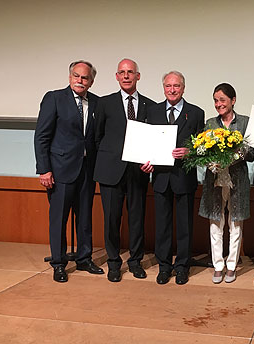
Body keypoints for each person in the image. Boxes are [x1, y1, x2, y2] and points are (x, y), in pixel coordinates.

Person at [34, 60, 103, 283]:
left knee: (84, 218)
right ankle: (59, 263)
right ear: (69, 77)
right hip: (60, 170)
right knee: (59, 219)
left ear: (91, 81)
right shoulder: (54, 98)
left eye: (84, 78)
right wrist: (44, 169)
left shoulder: (96, 102)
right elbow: (41, 136)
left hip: (87, 170)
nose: (80, 81)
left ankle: (84, 258)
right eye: (76, 76)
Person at [94, 58, 155, 282]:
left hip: (137, 172)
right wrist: (110, 157)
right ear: (117, 76)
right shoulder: (104, 103)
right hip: (110, 172)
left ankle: (135, 262)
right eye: (122, 72)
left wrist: (151, 160)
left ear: (138, 76)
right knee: (111, 219)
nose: (126, 76)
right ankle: (113, 263)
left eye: (131, 72)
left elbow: (153, 140)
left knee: (137, 219)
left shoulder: (151, 105)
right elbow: (96, 137)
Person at [140, 71, 205, 285]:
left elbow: (202, 147)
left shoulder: (195, 113)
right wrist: (147, 160)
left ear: (183, 88)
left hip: (184, 177)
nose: (172, 90)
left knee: (185, 225)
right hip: (160, 178)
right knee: (163, 225)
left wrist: (190, 152)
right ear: (163, 88)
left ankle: (183, 267)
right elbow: (147, 143)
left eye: (176, 86)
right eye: (168, 86)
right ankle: (164, 266)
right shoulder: (153, 111)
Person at [199, 83, 254, 284]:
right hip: (214, 179)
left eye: (222, 100)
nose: (218, 104)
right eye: (215, 100)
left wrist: (238, 152)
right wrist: (210, 159)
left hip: (237, 179)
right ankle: (217, 265)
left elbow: (251, 154)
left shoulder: (245, 122)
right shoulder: (210, 123)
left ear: (233, 100)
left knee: (235, 222)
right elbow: (202, 150)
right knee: (215, 221)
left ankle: (231, 265)